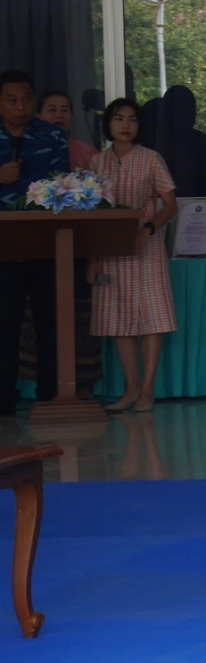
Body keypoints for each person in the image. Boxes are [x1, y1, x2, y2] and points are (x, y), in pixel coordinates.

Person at [88, 98, 176, 412]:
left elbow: (170, 204)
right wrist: (93, 257)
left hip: (146, 246)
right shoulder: (96, 163)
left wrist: (147, 229)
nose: (126, 125)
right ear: (108, 124)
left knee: (152, 319)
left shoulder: (151, 158)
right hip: (110, 248)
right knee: (118, 319)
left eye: (132, 119)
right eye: (119, 119)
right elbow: (90, 214)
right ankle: (131, 388)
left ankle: (148, 390)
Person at [0, 69, 70, 414]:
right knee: (5, 324)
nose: (20, 106)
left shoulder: (51, 135)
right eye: (11, 100)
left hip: (46, 244)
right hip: (4, 247)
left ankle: (50, 395)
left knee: (50, 323)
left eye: (27, 99)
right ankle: (3, 398)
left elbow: (62, 185)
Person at [38, 91, 95, 170]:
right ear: (38, 116)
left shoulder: (89, 154)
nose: (59, 115)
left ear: (72, 116)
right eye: (52, 110)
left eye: (64, 110)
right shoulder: (28, 150)